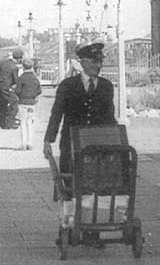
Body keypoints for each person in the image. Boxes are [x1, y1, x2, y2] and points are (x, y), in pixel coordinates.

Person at [43, 43, 116, 173]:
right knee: (71, 185)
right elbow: (56, 115)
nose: (98, 66)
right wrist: (48, 140)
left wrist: (116, 139)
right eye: (94, 62)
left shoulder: (106, 86)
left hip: (98, 144)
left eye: (100, 62)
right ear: (83, 63)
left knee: (99, 183)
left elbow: (109, 116)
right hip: (71, 144)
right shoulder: (67, 86)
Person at [13, 58, 42, 150]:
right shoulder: (35, 78)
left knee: (22, 122)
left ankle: (23, 143)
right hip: (32, 103)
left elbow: (17, 91)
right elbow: (39, 90)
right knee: (30, 122)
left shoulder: (21, 78)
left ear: (23, 67)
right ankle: (30, 142)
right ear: (32, 67)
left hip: (22, 102)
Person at [0, 48, 23, 129]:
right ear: (19, 59)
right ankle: (9, 124)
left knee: (2, 105)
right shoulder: (14, 67)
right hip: (6, 87)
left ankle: (2, 124)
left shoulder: (3, 63)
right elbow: (16, 80)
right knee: (14, 103)